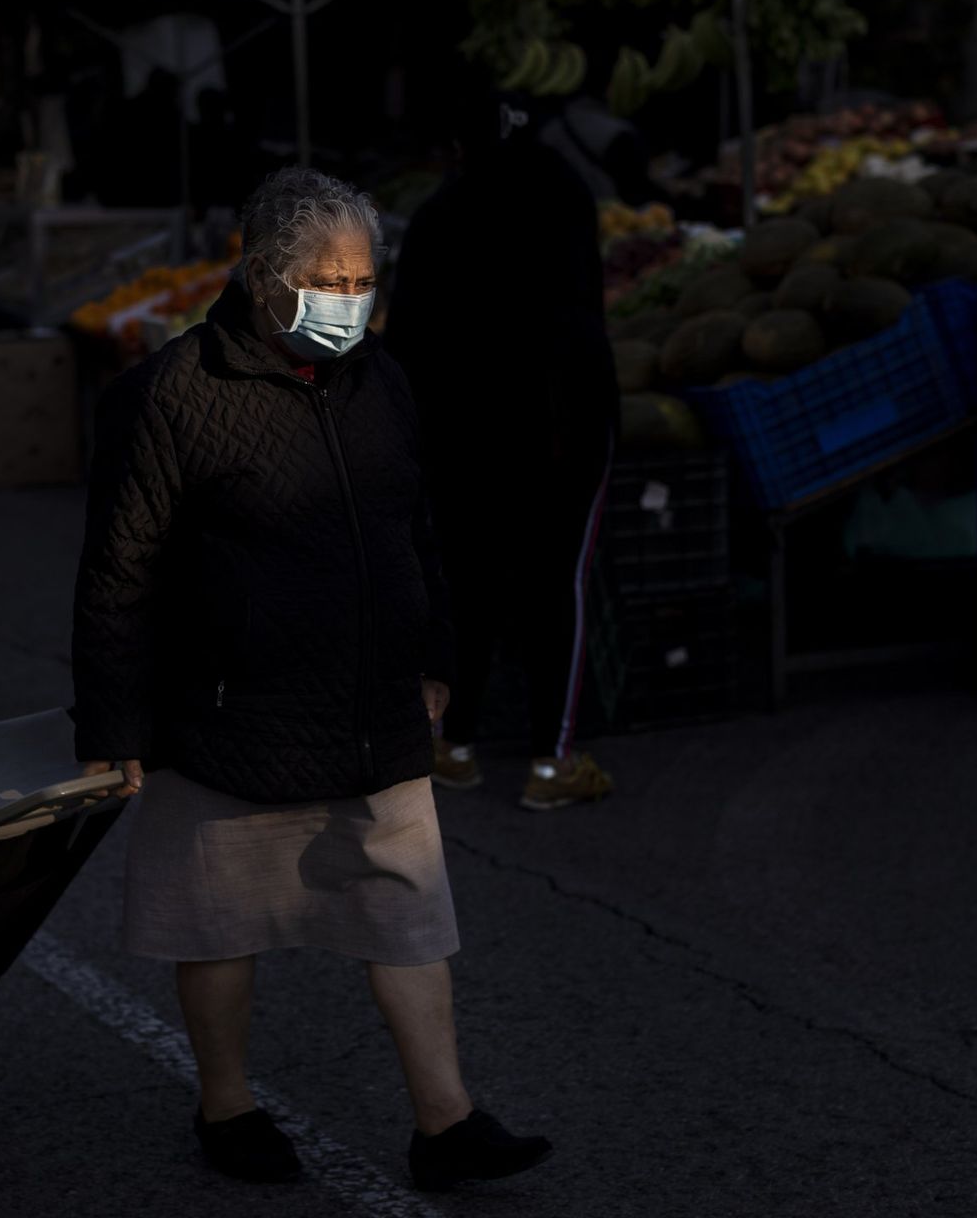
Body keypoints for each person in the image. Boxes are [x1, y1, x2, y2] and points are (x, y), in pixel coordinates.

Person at [72, 167, 553, 1193]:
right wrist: (112, 724)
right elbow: (120, 570)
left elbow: (418, 529)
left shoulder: (383, 379)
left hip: (372, 704)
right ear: (259, 278)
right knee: (219, 918)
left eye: (363, 278)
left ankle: (446, 1120)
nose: (348, 299)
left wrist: (437, 660)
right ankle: (227, 1105)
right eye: (326, 279)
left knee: (408, 911)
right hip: (225, 714)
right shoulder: (168, 396)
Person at [384, 95, 620, 811]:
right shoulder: (567, 192)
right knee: (558, 585)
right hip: (562, 425)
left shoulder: (437, 215)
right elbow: (588, 310)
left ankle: (454, 745)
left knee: (468, 581)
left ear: (459, 146)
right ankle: (553, 763)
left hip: (462, 433)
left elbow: (406, 346)